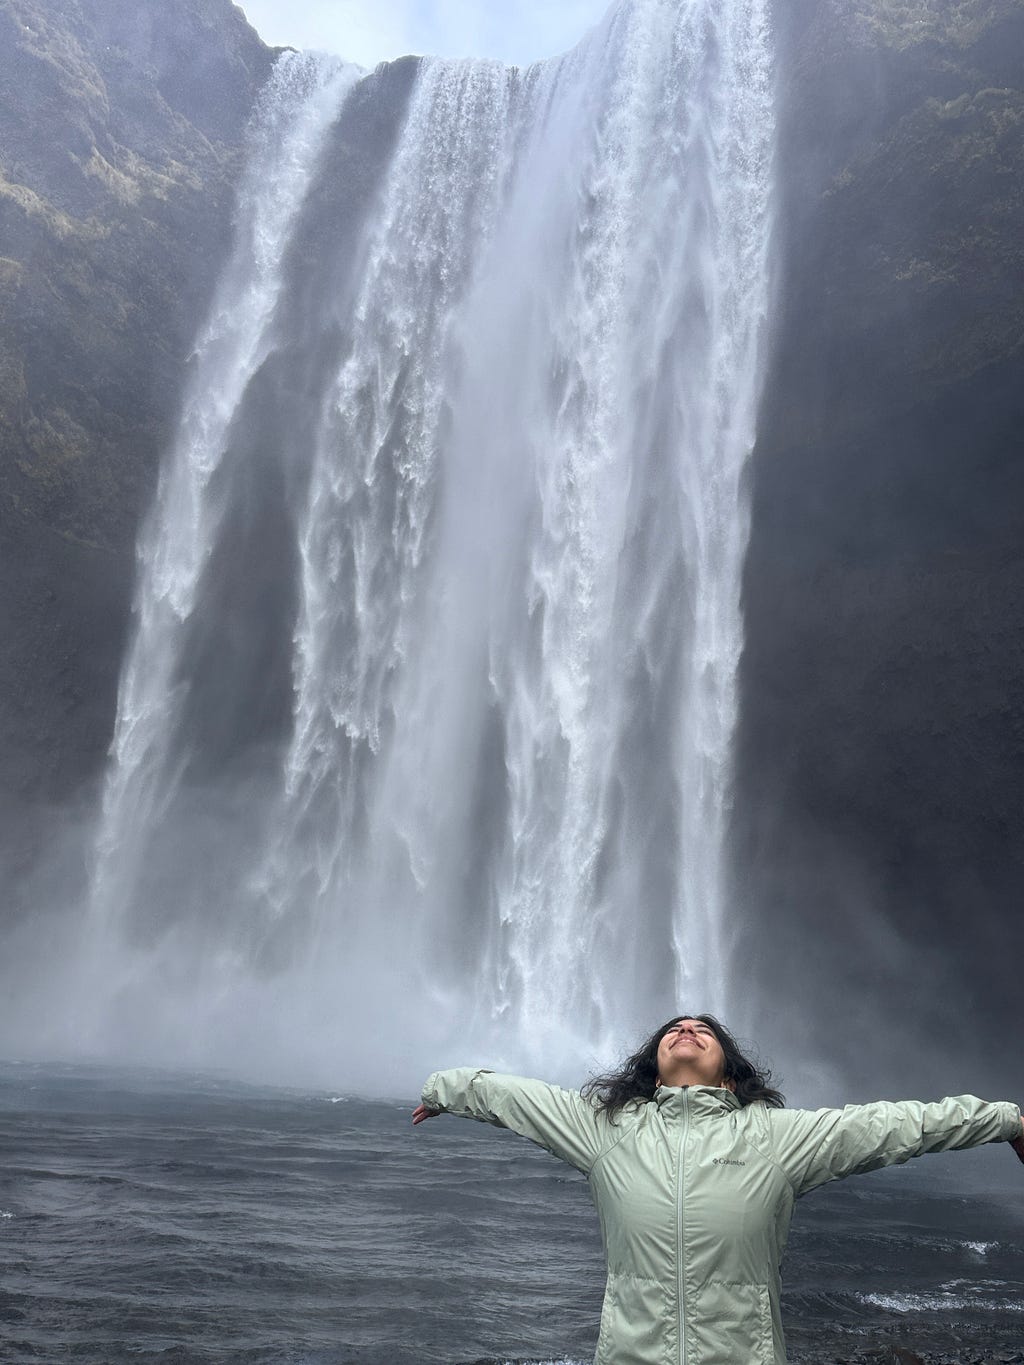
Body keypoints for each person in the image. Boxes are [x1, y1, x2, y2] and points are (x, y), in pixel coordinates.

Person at [412, 1013, 1024, 1365]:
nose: (686, 1029)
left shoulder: (779, 1138)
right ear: (651, 1065)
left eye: (703, 1029)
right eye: (674, 1028)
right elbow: (514, 1097)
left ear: (729, 1069)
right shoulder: (605, 1128)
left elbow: (895, 1125)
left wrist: (1008, 1120)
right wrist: (445, 1088)